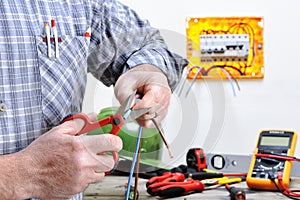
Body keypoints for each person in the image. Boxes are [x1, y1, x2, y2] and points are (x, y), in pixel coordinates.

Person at [0, 0, 187, 199]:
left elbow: (147, 43)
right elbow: (24, 174)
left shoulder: (82, 4)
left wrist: (150, 71)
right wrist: (21, 174)